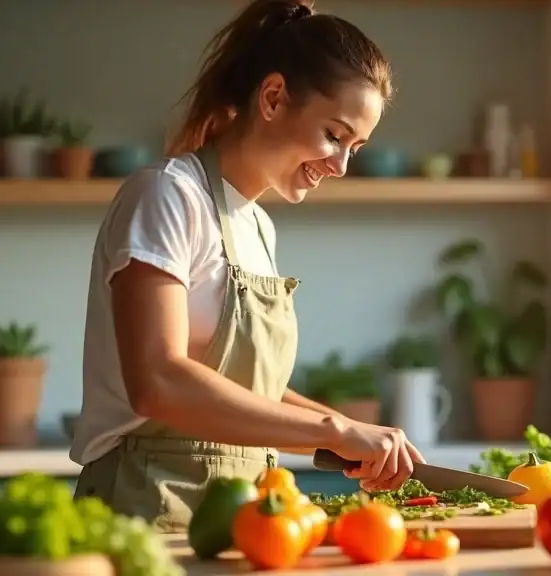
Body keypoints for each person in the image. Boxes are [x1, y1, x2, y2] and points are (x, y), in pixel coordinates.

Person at [68, 0, 425, 531]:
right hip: (144, 505)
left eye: (356, 146)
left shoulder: (257, 225)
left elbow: (243, 388)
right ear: (274, 97)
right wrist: (329, 429)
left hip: (243, 513)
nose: (342, 164)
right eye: (333, 134)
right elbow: (158, 381)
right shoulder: (167, 195)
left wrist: (348, 428)